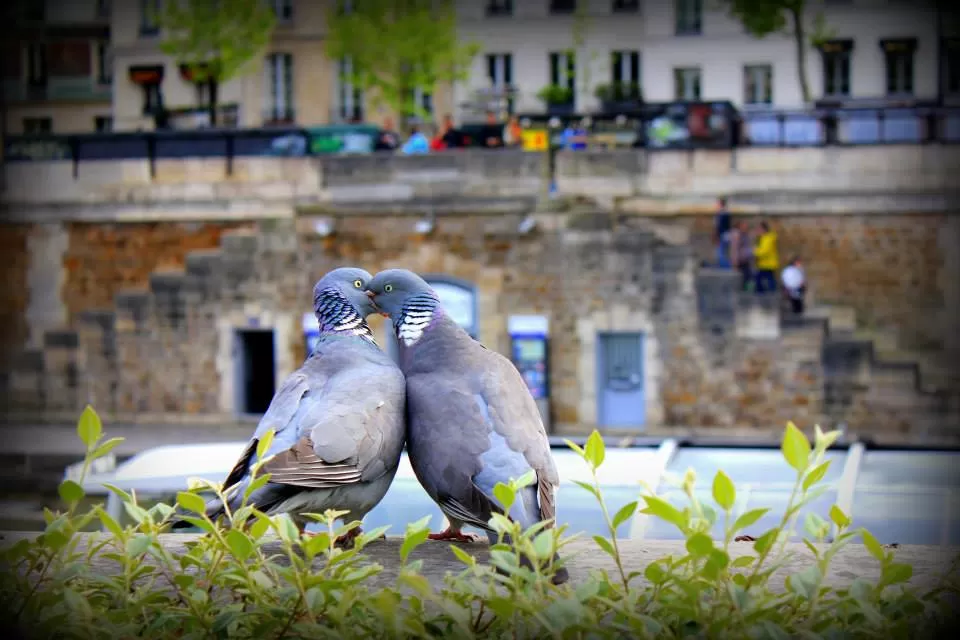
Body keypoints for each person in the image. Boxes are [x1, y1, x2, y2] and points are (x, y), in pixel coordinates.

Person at [753, 221, 780, 294]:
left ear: (764, 229)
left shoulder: (768, 238)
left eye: (759, 229)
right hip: (764, 264)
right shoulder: (763, 238)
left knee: (761, 278)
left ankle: (765, 293)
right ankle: (768, 292)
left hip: (768, 264)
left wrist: (755, 252)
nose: (757, 231)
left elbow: (764, 251)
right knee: (768, 279)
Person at [729, 219, 754, 291]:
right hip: (739, 261)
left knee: (748, 278)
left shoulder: (745, 234)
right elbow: (734, 249)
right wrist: (734, 262)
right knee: (742, 279)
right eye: (744, 225)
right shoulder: (737, 235)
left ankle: (746, 292)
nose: (746, 227)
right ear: (740, 226)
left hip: (746, 260)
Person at [714, 197, 732, 269]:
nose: (716, 205)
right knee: (721, 252)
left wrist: (717, 235)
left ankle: (725, 266)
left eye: (718, 203)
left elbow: (721, 226)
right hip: (723, 235)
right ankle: (724, 265)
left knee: (721, 252)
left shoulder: (723, 213)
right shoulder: (722, 213)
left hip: (723, 235)